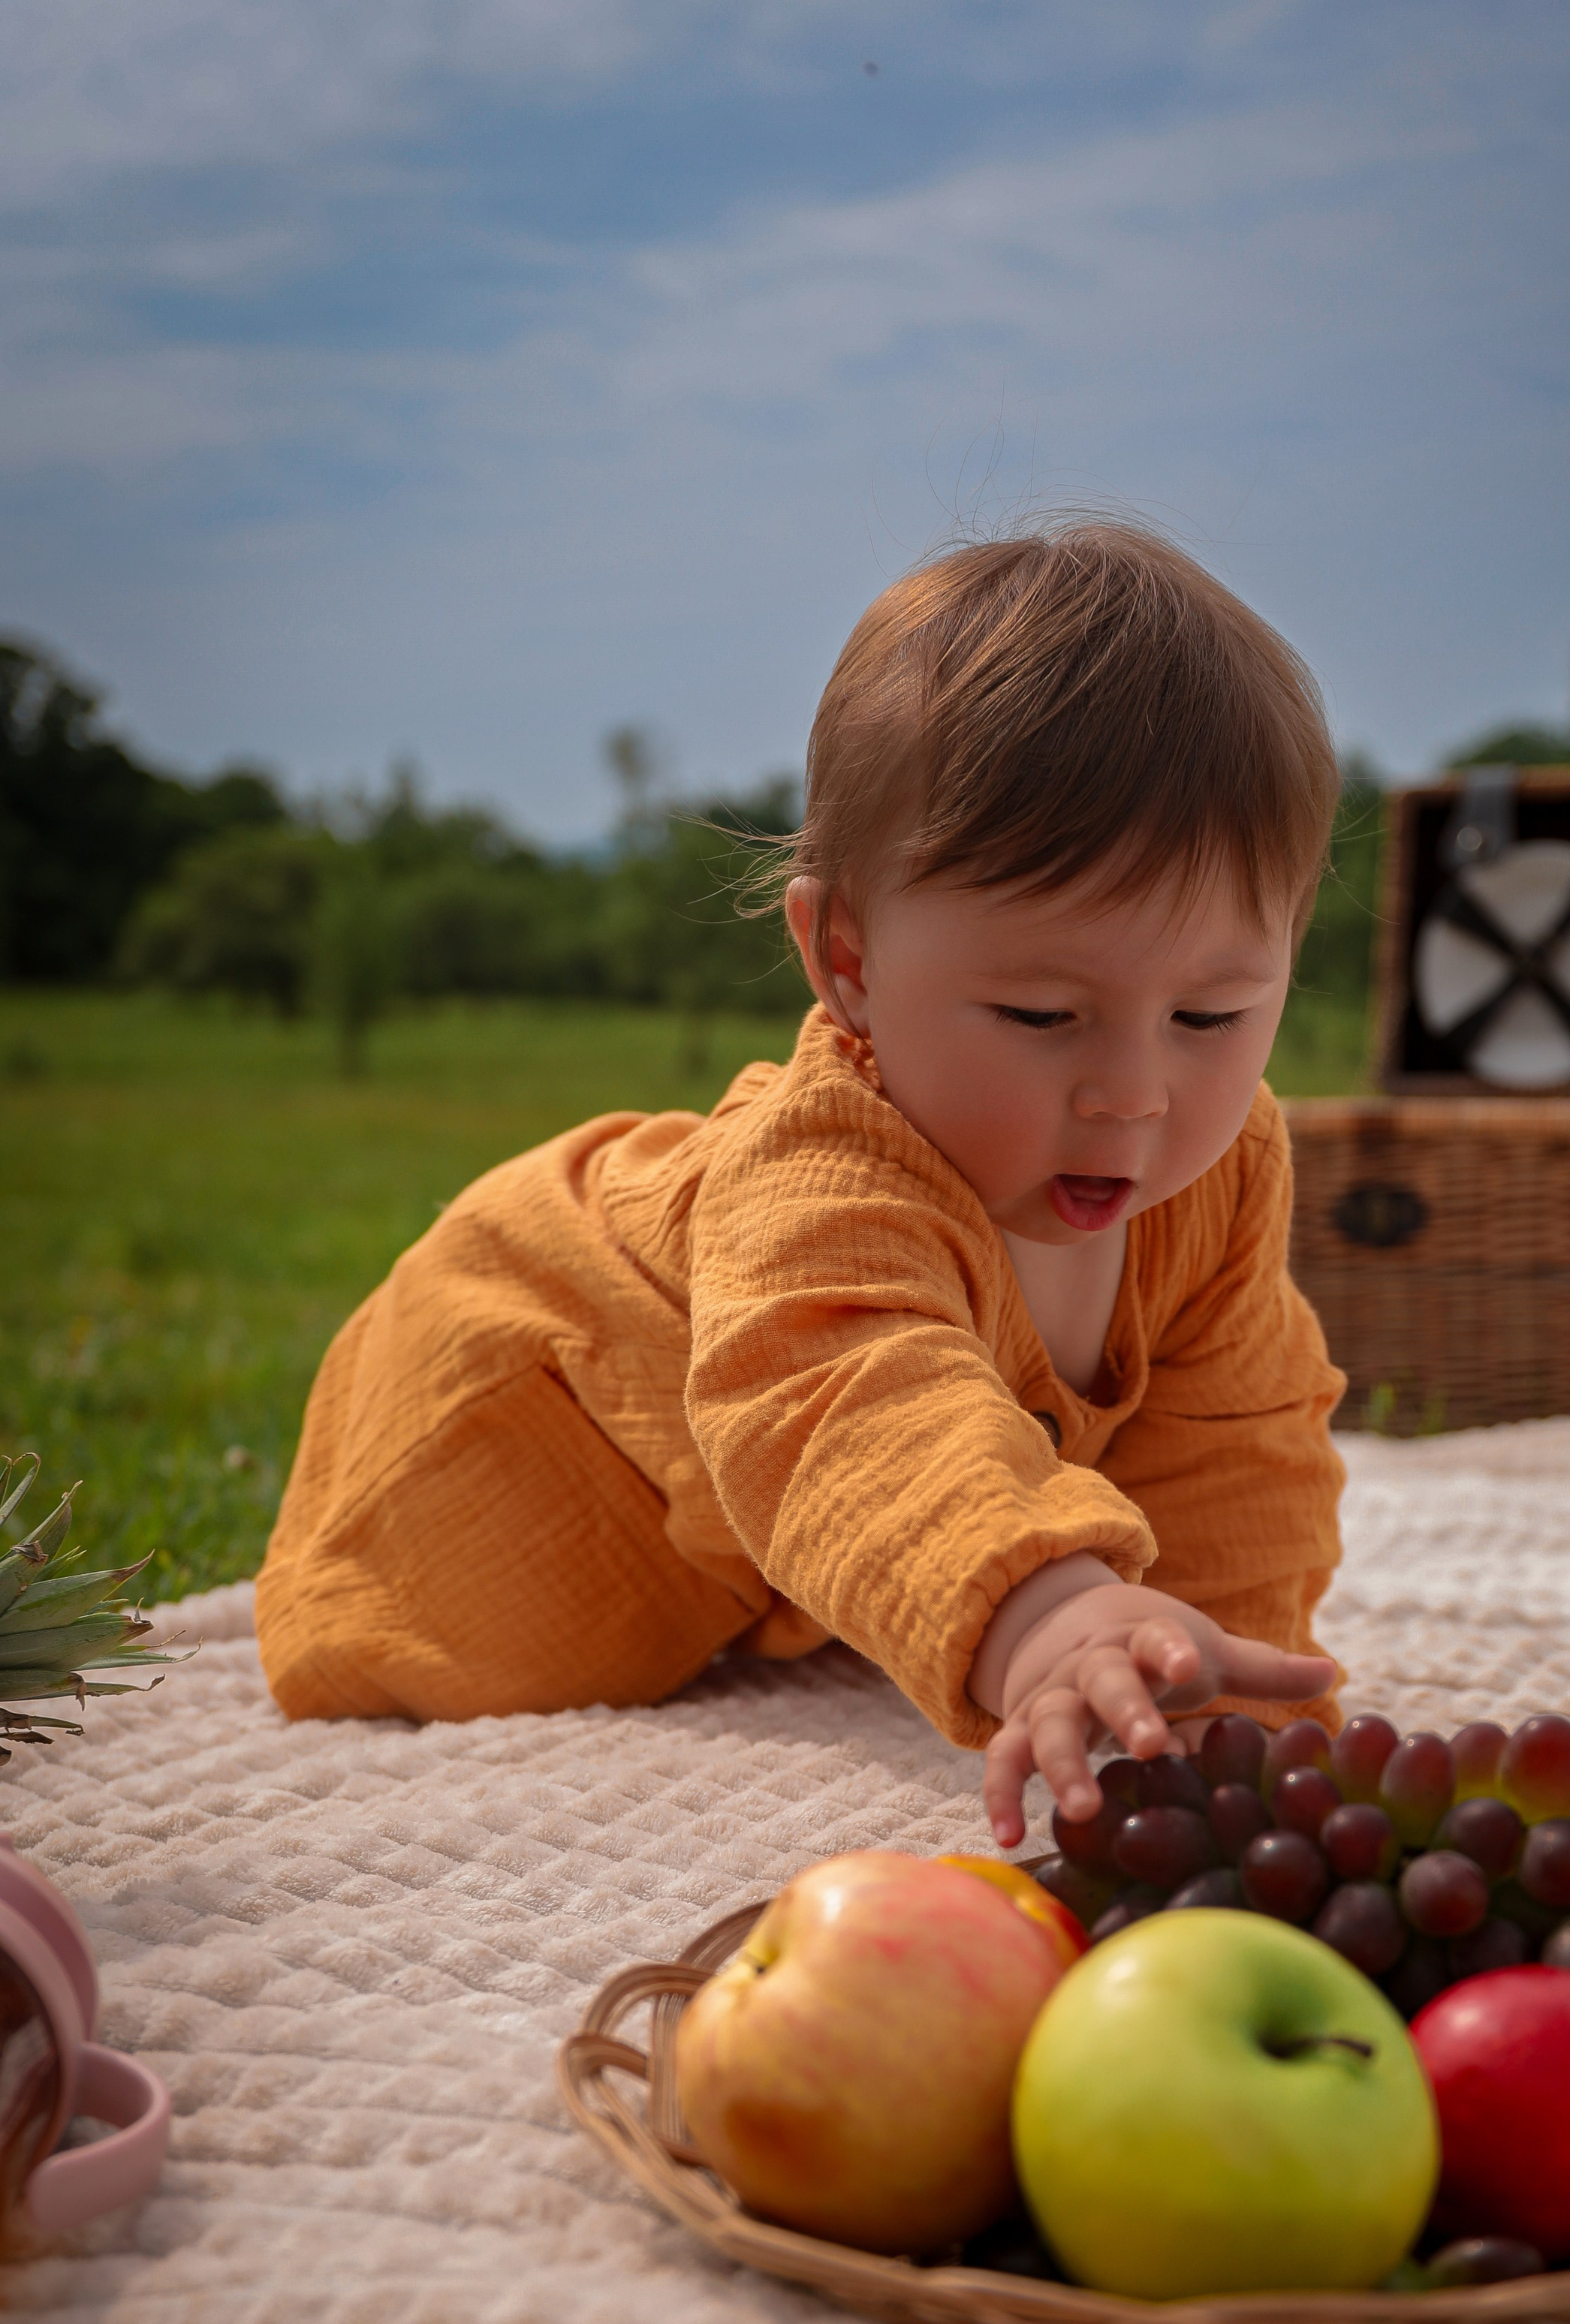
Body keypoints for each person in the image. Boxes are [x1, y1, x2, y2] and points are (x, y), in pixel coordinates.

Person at [256, 520, 1348, 1847]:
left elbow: (1235, 1446)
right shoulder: (823, 1172)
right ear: (848, 960)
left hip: (747, 1558)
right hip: (501, 1449)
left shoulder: (1222, 1173)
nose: (1135, 1092)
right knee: (465, 1656)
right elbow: (854, 1404)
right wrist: (1045, 1614)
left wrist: (1218, 1702)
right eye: (1042, 1015)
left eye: (1211, 1017)